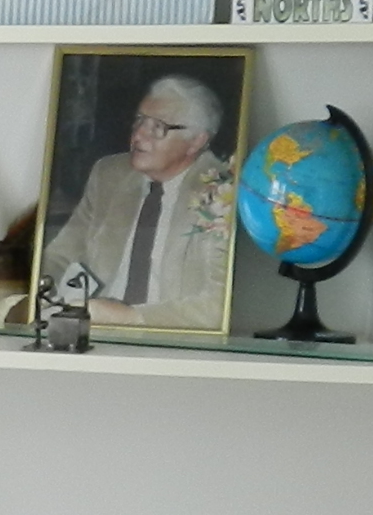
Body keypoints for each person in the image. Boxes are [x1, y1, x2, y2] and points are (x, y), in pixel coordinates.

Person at [38, 73, 237, 328]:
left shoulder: (222, 191)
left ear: (196, 141)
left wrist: (125, 317)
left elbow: (218, 306)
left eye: (157, 127)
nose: (139, 135)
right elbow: (60, 256)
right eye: (139, 121)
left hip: (169, 340)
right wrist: (34, 296)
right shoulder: (109, 174)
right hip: (92, 333)